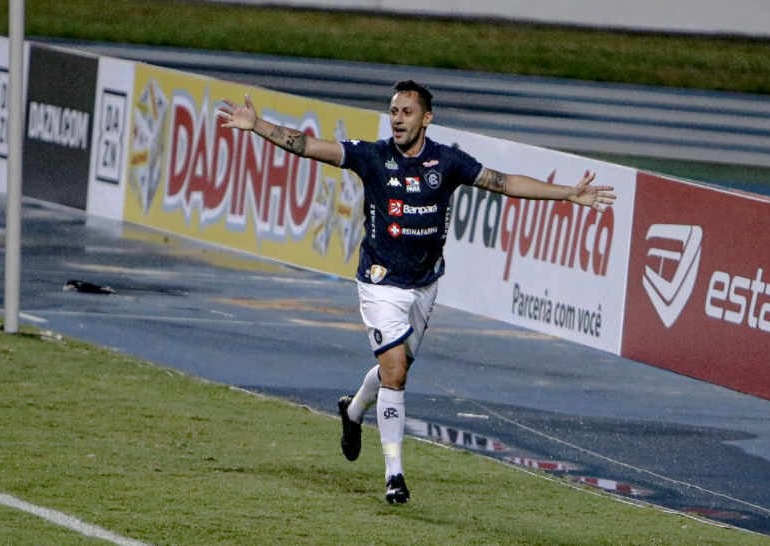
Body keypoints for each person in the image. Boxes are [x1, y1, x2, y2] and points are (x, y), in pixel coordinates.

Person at [217, 80, 616, 504]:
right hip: (379, 282)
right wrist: (259, 126)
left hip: (424, 285)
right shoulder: (373, 156)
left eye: (406, 112)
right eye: (393, 111)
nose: (397, 119)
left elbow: (504, 183)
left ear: (426, 118)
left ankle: (353, 411)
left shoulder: (448, 162)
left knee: (395, 370)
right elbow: (310, 146)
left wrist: (569, 194)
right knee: (396, 374)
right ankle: (394, 475)